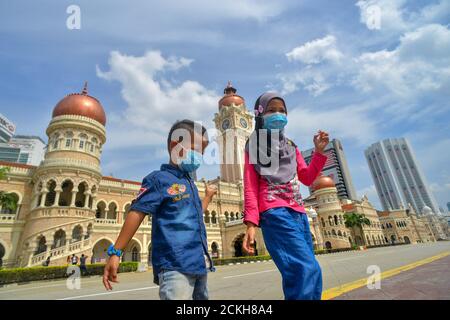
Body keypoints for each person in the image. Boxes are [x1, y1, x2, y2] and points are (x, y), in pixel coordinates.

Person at [102, 119, 217, 300]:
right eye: (196, 149)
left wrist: (208, 197)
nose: (199, 157)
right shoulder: (158, 180)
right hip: (174, 265)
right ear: (175, 145)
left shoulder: (190, 183)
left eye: (202, 152)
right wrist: (116, 252)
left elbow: (196, 215)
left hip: (198, 263)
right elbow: (137, 211)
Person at [242, 92, 329, 300]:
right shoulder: (254, 146)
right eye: (272, 110)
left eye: (282, 111)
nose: (278, 115)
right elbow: (250, 186)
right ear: (260, 114)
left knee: (305, 273)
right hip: (274, 212)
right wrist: (251, 224)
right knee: (306, 270)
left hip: (299, 213)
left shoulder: (291, 146)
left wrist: (318, 152)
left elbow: (307, 178)